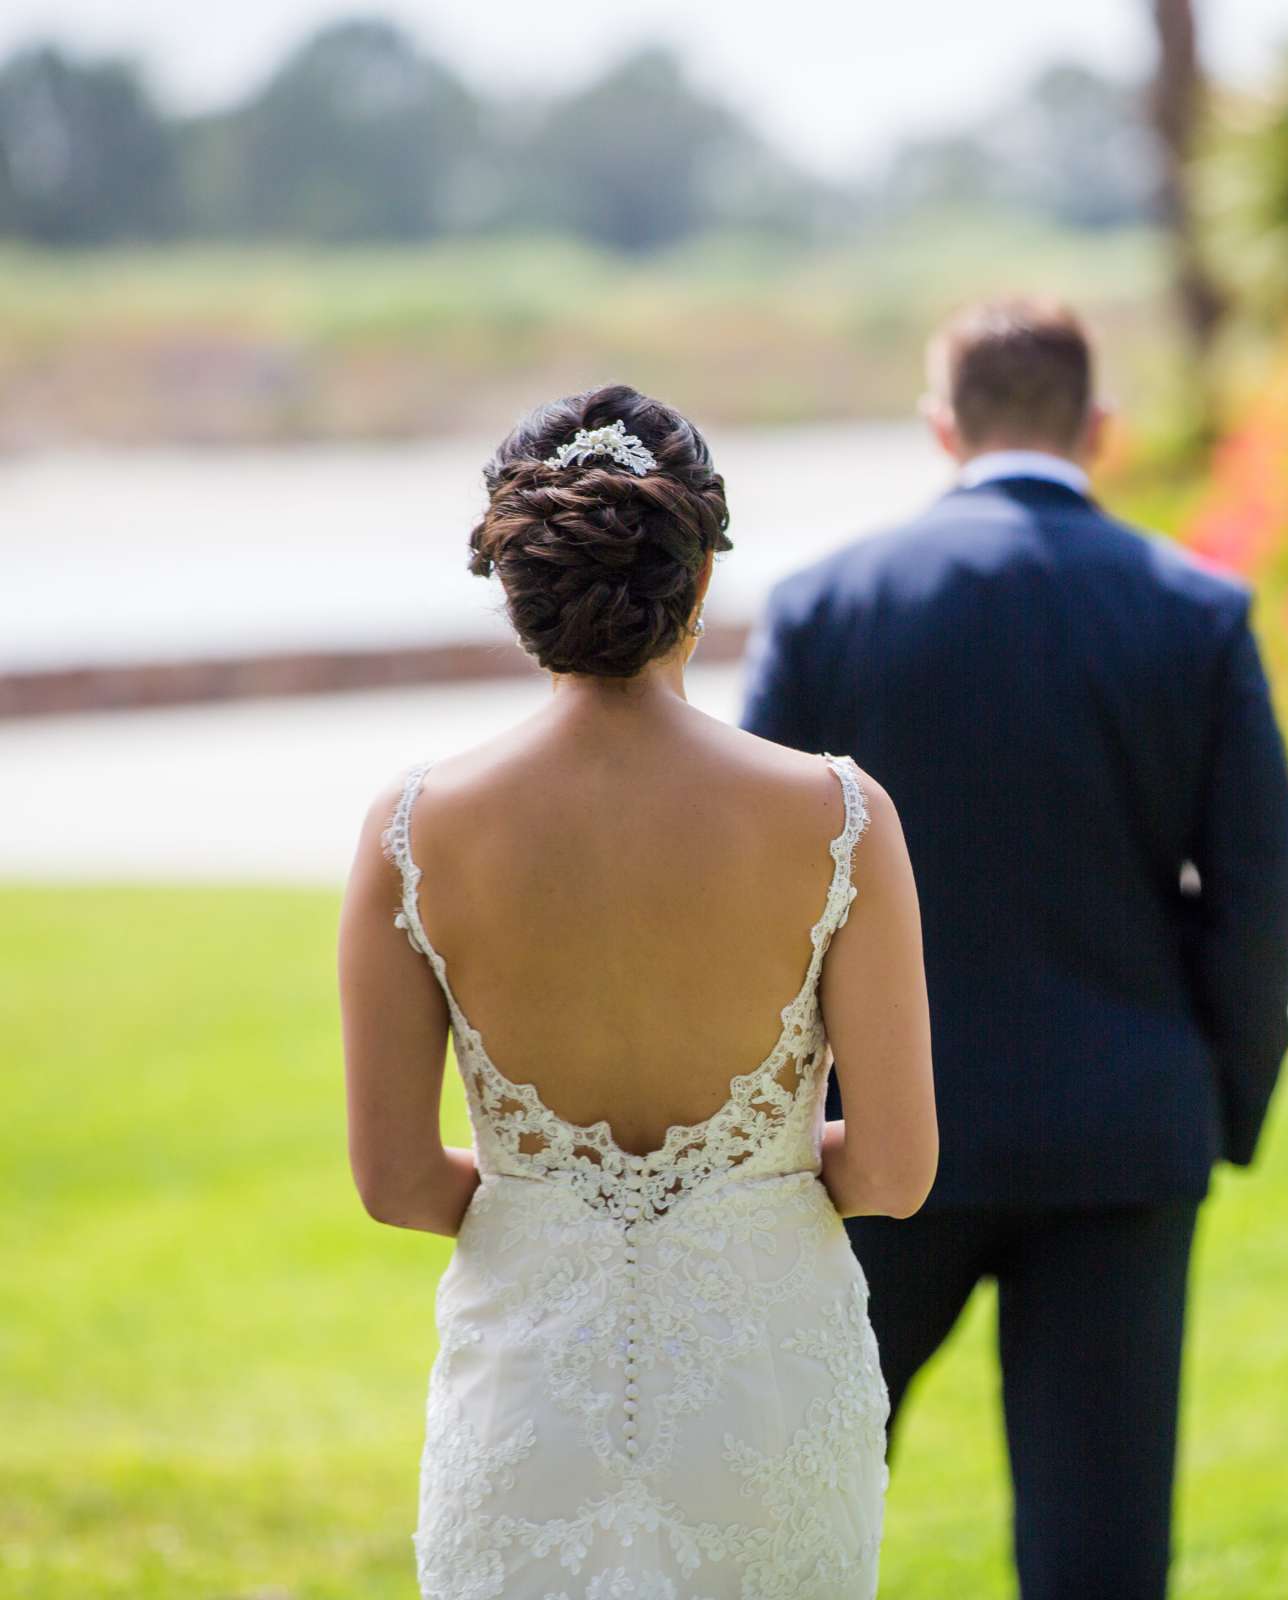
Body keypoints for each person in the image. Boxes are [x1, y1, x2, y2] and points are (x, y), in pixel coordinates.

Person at [740, 298, 1288, 1600]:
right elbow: (1263, 892)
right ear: (1099, 429)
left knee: (783, 1524)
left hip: (866, 1145)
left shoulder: (830, 606)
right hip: (1124, 1136)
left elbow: (754, 881)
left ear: (943, 428)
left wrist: (770, 1121)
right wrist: (1220, 1099)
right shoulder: (1197, 612)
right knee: (1100, 1558)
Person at [336, 384, 938, 1600]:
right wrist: (744, 1182)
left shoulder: (412, 830)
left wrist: (557, 1204)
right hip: (770, 1399)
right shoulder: (839, 818)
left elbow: (397, 1182)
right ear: (700, 582)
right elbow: (894, 1170)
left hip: (528, 1402)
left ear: (519, 591)